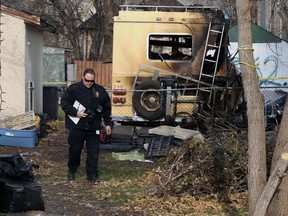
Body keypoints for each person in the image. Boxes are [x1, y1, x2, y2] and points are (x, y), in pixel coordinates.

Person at [61, 68, 112, 182]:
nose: (89, 83)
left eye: (91, 81)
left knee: (93, 152)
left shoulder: (100, 91)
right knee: (75, 150)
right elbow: (64, 103)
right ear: (82, 77)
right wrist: (76, 113)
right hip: (77, 126)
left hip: (93, 127)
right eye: (87, 80)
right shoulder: (73, 89)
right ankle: (72, 170)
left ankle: (92, 174)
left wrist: (108, 123)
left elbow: (106, 108)